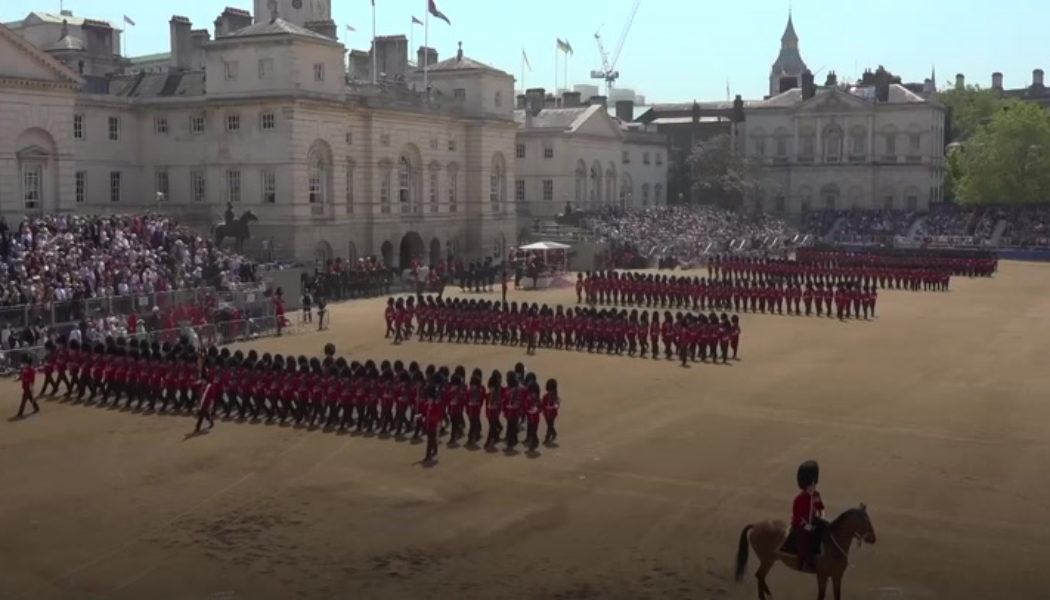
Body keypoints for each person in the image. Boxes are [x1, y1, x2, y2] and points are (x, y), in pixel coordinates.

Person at [790, 460, 826, 572]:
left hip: (814, 521)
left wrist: (822, 515)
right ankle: (807, 563)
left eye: (814, 483)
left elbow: (820, 507)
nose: (813, 486)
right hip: (801, 526)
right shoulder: (799, 499)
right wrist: (807, 527)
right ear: (807, 484)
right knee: (806, 542)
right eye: (811, 484)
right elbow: (798, 517)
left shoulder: (815, 494)